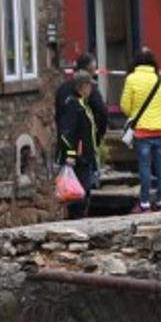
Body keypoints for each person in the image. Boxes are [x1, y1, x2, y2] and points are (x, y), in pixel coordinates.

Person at [119, 48, 161, 212]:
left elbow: (124, 106)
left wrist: (135, 113)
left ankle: (144, 203)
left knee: (144, 166)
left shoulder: (131, 79)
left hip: (142, 131)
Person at [57, 71, 100, 220]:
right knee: (78, 194)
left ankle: (80, 218)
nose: (91, 89)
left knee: (85, 192)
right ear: (82, 87)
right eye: (89, 86)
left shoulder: (82, 104)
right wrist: (70, 154)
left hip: (86, 156)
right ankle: (76, 219)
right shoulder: (73, 105)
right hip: (79, 158)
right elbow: (66, 132)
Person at [55, 52, 108, 149]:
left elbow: (58, 115)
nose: (94, 73)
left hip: (65, 141)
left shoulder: (62, 89)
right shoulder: (90, 89)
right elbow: (102, 112)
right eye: (93, 70)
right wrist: (98, 136)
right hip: (84, 143)